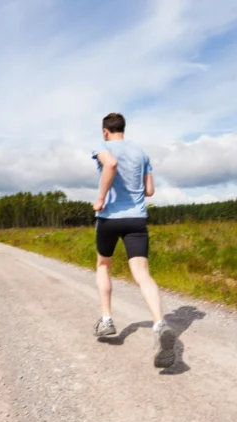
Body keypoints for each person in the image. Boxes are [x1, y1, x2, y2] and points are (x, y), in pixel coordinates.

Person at [90, 112, 175, 368]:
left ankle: (107, 319)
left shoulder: (102, 147)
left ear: (105, 131)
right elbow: (149, 190)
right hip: (136, 219)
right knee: (142, 274)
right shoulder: (141, 153)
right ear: (123, 129)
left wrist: (101, 199)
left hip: (109, 218)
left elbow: (110, 164)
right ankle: (159, 324)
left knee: (103, 265)